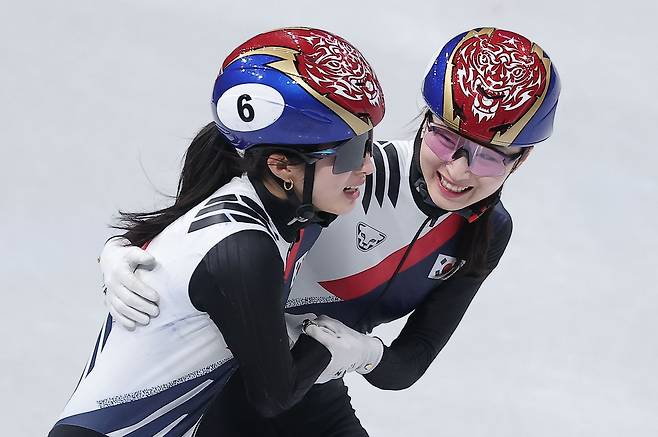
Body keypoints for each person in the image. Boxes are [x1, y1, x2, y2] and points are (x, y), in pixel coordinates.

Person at [99, 27, 561, 436]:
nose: (458, 170)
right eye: (446, 139)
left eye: (489, 156)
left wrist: (362, 353)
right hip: (222, 389)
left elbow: (412, 359)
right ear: (424, 119)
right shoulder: (348, 175)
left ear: (522, 159)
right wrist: (124, 248)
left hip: (309, 394)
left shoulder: (487, 233)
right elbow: (211, 225)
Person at [49, 27, 386, 437]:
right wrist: (344, 348)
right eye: (350, 153)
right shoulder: (246, 247)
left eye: (368, 143)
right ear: (280, 166)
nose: (367, 166)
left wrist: (117, 246)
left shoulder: (284, 209)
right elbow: (273, 397)